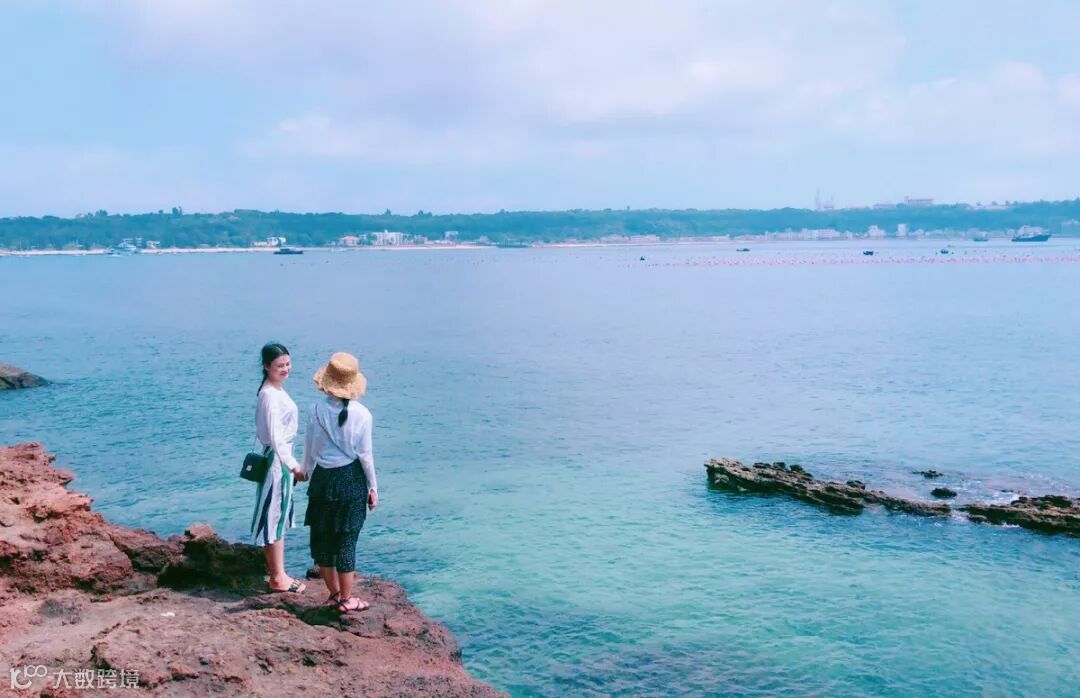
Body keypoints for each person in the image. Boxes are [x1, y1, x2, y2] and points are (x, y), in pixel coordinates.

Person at [302, 352, 378, 613]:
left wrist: (304, 472)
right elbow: (365, 456)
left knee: (322, 539)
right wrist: (373, 487)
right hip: (351, 479)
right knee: (347, 540)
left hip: (322, 480)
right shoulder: (363, 415)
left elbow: (310, 449)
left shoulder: (315, 410)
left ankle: (334, 594)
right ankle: (347, 599)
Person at [252, 342, 308, 593]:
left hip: (278, 458)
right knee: (273, 515)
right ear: (266, 366)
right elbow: (276, 437)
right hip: (277, 460)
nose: (286, 369)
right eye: (280, 365)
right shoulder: (269, 395)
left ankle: (279, 574)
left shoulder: (274, 390)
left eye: (288, 363)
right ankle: (277, 577)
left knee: (278, 514)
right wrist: (294, 466)